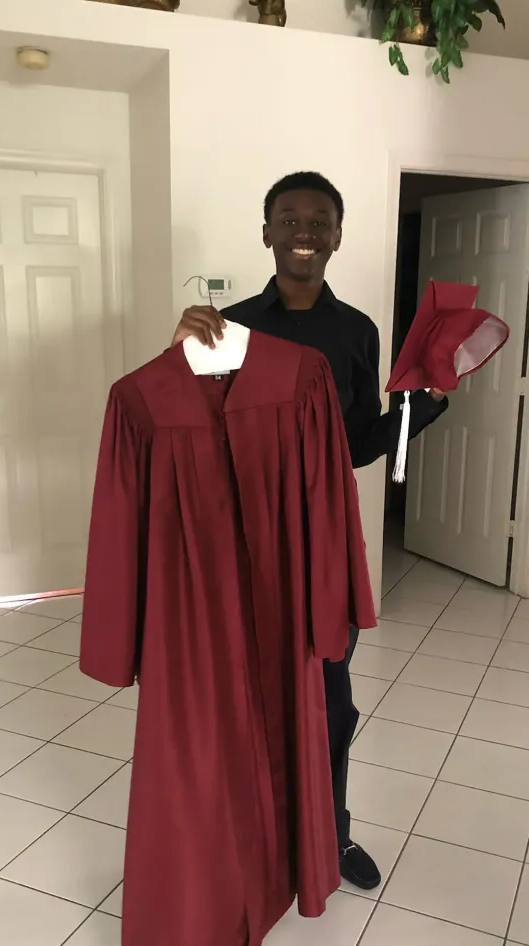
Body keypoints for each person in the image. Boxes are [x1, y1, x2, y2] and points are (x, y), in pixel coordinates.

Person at [171, 171, 448, 890]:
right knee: (245, 696)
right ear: (265, 233)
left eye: (319, 219)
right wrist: (181, 353)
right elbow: (190, 434)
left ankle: (331, 834)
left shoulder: (355, 330)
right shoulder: (225, 326)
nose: (304, 230)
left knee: (329, 699)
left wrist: (425, 408)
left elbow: (354, 444)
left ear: (336, 236)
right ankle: (249, 836)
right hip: (242, 543)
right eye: (289, 218)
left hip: (323, 541)